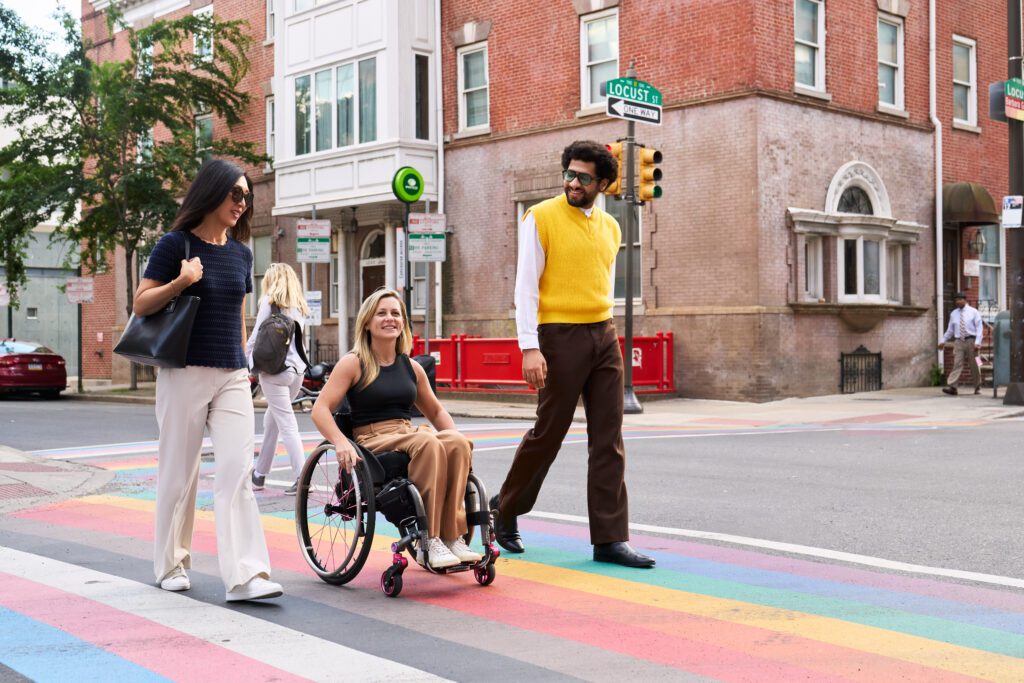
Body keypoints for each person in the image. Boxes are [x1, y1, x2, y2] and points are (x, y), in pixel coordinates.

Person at [490, 140, 656, 569]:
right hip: (558, 336)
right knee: (550, 432)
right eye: (569, 173)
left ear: (603, 183)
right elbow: (526, 287)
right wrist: (529, 346)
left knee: (609, 438)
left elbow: (601, 283)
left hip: (604, 334)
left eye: (583, 177)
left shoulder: (611, 227)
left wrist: (609, 329)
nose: (573, 182)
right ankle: (504, 509)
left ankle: (610, 538)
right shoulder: (540, 217)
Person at [134, 158, 282, 602]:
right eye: (235, 193)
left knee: (237, 473)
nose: (242, 202)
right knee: (180, 473)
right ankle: (172, 563)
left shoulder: (241, 253)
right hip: (184, 371)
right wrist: (181, 280)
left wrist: (246, 364)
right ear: (212, 192)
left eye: (246, 196)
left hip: (232, 373)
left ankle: (245, 575)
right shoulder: (174, 244)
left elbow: (237, 314)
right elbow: (141, 304)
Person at [311, 288, 481, 570]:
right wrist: (340, 441)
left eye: (395, 313)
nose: (390, 319)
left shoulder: (411, 367)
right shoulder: (354, 363)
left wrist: (457, 437)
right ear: (367, 322)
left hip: (405, 432)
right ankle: (430, 538)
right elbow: (320, 409)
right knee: (429, 443)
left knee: (456, 443)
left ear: (403, 321)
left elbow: (436, 411)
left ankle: (454, 537)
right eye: (382, 313)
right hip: (371, 438)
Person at [247, 263, 310, 495]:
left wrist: (244, 362)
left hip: (274, 371)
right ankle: (259, 475)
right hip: (297, 372)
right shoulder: (299, 307)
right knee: (271, 421)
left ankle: (301, 476)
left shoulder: (269, 302)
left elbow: (256, 336)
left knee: (286, 423)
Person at [939, 291, 984, 396]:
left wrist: (978, 342)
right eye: (956, 300)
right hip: (959, 342)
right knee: (957, 363)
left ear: (965, 300)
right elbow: (950, 330)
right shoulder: (953, 314)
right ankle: (953, 387)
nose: (957, 302)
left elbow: (979, 328)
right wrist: (942, 341)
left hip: (972, 341)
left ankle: (978, 386)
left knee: (976, 364)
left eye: (960, 300)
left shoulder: (974, 312)